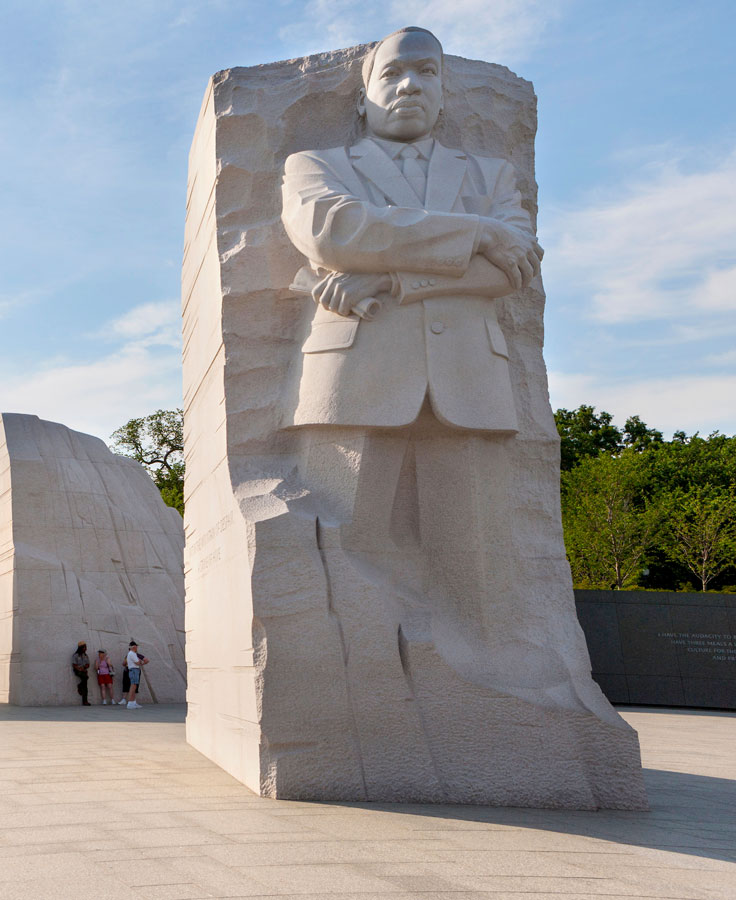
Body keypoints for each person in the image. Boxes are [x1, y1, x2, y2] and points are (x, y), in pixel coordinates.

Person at [279, 25, 543, 676]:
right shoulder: (316, 168)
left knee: (476, 561)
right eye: (393, 73)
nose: (411, 84)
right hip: (354, 379)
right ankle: (353, 685)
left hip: (471, 382)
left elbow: (513, 270)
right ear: (363, 97)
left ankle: (489, 686)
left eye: (427, 72)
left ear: (444, 93)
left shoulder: (491, 175)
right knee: (341, 546)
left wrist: (395, 280)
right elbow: (334, 232)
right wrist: (474, 232)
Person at [123, 640, 146, 709]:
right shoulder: (131, 653)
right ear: (133, 647)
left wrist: (139, 662)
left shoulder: (133, 653)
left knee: (134, 686)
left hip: (135, 670)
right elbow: (137, 662)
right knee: (133, 686)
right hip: (133, 670)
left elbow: (139, 662)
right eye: (136, 646)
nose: (137, 647)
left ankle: (133, 702)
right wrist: (140, 661)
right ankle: (130, 703)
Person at [71, 641, 91, 705]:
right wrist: (80, 669)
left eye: (85, 647)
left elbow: (88, 664)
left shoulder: (86, 655)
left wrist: (84, 668)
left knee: (85, 685)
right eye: (84, 647)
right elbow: (74, 665)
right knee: (85, 677)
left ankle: (85, 701)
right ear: (80, 648)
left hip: (84, 670)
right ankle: (84, 701)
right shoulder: (75, 655)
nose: (85, 649)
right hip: (78, 671)